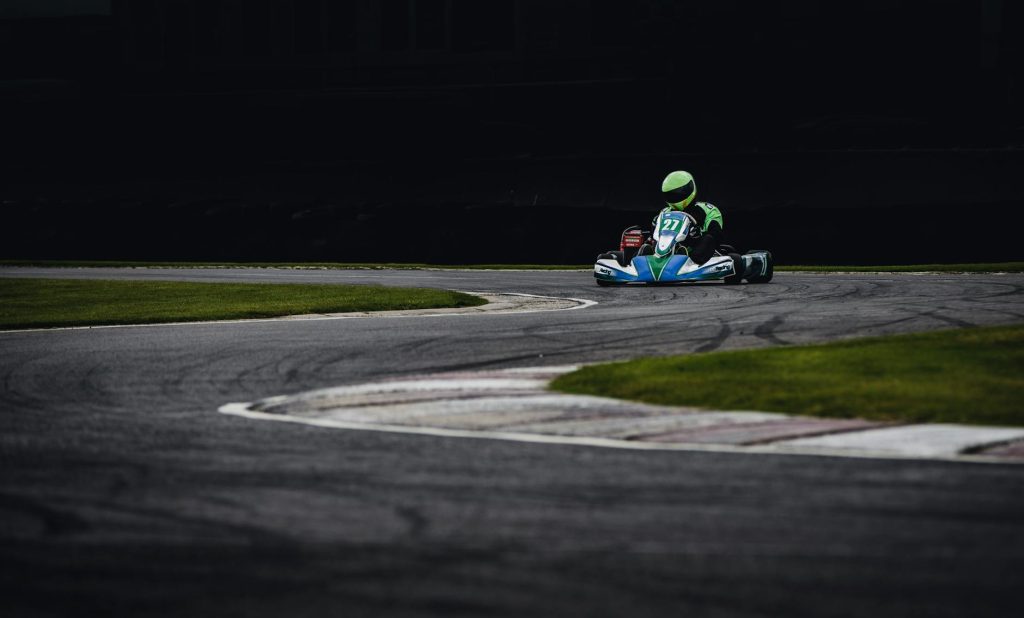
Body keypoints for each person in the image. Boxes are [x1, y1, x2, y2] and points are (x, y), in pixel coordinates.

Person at [654, 170, 723, 265]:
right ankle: (646, 256)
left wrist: (697, 233)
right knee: (647, 241)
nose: (675, 197)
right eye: (670, 195)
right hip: (668, 249)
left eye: (678, 194)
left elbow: (715, 234)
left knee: (708, 238)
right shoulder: (665, 212)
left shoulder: (708, 210)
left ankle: (690, 260)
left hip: (696, 249)